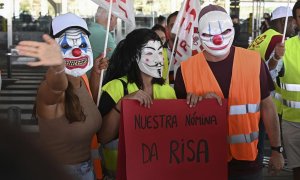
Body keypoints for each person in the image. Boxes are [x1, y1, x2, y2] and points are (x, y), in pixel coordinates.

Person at [174, 5, 284, 180]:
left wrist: (276, 149)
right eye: (209, 34)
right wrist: (197, 104)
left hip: (247, 161)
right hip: (204, 161)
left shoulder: (254, 61)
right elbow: (178, 120)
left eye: (224, 31)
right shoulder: (186, 70)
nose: (217, 39)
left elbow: (267, 106)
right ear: (199, 36)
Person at [16, 13, 107, 180]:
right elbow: (58, 86)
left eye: (81, 43)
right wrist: (57, 67)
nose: (77, 50)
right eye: (66, 46)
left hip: (89, 170)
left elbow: (90, 108)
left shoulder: (81, 80)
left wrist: (95, 73)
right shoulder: (49, 89)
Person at [94, 28, 176, 179]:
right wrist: (122, 104)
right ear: (134, 56)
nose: (159, 60)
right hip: (119, 174)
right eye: (150, 53)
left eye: (160, 52)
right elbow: (103, 137)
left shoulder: (168, 92)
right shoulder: (116, 88)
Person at [248, 6, 294, 166]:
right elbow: (274, 70)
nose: (294, 26)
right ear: (283, 21)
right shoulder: (278, 40)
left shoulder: (262, 37)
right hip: (263, 99)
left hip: (249, 94)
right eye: (292, 22)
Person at [281, 1, 300, 179]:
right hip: (292, 122)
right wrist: (274, 59)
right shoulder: (285, 47)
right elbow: (271, 74)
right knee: (297, 171)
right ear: (295, 21)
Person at [88, 6, 117, 77]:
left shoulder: (88, 29)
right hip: (94, 83)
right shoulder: (104, 35)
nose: (116, 23)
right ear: (111, 17)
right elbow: (119, 61)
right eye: (116, 19)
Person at [165, 11, 178, 84]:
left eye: (181, 25)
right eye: (173, 26)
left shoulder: (195, 53)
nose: (177, 30)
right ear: (167, 29)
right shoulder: (158, 53)